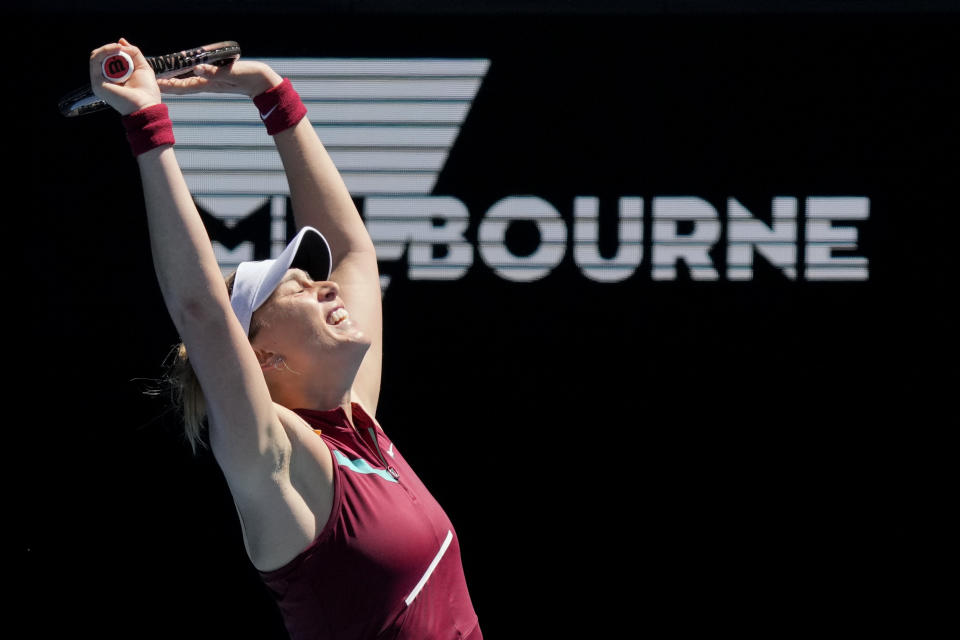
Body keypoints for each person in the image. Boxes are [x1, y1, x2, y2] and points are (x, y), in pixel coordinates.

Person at [88, 38, 482, 640]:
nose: (329, 290)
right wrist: (146, 123)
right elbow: (202, 313)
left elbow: (352, 250)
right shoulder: (275, 457)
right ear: (260, 353)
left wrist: (271, 94)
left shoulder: (356, 428)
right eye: (298, 290)